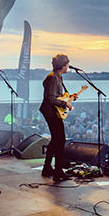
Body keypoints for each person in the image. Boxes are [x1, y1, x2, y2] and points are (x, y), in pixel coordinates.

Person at [39, 54, 76, 182]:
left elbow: (57, 96)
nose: (68, 67)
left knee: (56, 140)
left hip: (52, 111)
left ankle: (48, 167)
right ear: (62, 66)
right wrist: (65, 103)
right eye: (67, 64)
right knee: (60, 140)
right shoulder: (53, 78)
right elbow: (51, 98)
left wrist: (69, 98)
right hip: (51, 112)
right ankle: (58, 171)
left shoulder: (57, 77)